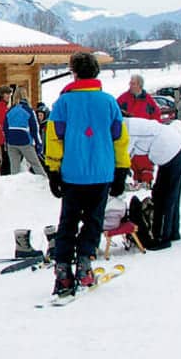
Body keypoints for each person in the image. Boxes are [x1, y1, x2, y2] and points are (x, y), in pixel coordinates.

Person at [45, 52, 130, 298]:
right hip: (102, 172)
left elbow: (53, 139)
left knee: (68, 222)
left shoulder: (62, 104)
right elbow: (120, 140)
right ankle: (84, 264)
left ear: (74, 72)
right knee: (94, 221)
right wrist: (121, 169)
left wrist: (53, 169)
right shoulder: (109, 102)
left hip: (72, 173)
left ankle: (62, 271)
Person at [121, 115, 181, 249]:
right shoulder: (130, 124)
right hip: (175, 151)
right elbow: (133, 156)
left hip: (172, 153)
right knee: (168, 194)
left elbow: (124, 157)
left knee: (164, 197)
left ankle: (162, 238)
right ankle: (172, 232)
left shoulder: (127, 128)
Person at [5, 88, 47, 177]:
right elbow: (35, 128)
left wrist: (7, 141)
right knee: (35, 164)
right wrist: (39, 144)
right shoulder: (28, 110)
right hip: (25, 141)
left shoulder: (9, 111)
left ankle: (15, 187)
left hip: (11, 142)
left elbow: (5, 128)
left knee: (14, 168)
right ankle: (45, 183)